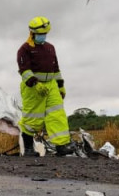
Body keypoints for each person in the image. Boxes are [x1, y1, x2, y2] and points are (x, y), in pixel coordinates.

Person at [17, 16, 75, 156]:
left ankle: (61, 146)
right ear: (32, 33)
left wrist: (60, 86)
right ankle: (29, 149)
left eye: (45, 34)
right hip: (33, 89)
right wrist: (35, 83)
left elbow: (56, 69)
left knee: (57, 115)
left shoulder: (50, 48)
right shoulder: (24, 49)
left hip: (51, 86)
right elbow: (24, 70)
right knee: (32, 118)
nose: (43, 36)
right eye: (41, 34)